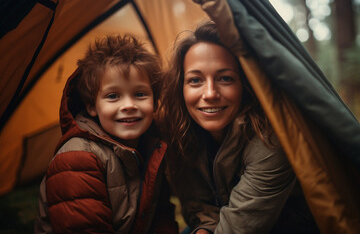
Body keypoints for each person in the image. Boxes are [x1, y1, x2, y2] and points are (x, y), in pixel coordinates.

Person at [159, 21, 319, 234]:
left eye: (225, 78)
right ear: (181, 88)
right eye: (195, 80)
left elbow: (239, 226)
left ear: (245, 85)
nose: (210, 94)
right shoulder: (180, 131)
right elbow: (197, 205)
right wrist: (203, 229)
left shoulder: (270, 140)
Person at [35, 35, 178, 233]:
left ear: (154, 102)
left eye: (140, 94)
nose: (128, 105)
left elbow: (160, 214)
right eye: (113, 96)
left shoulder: (152, 148)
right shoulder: (78, 158)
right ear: (92, 106)